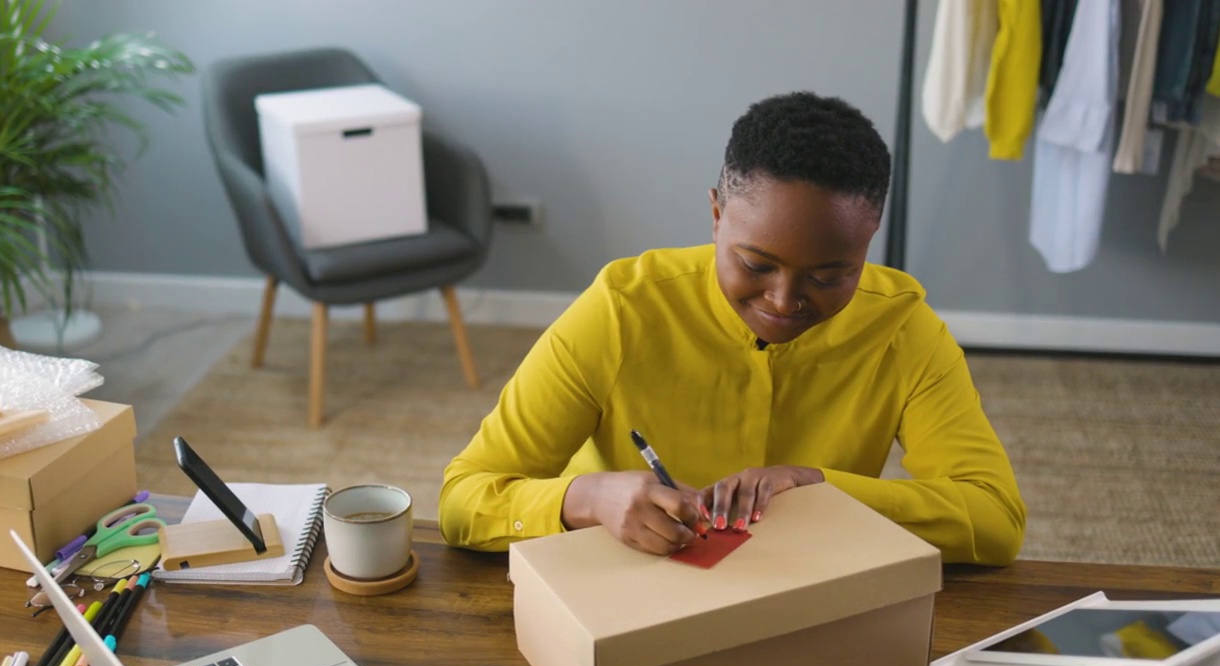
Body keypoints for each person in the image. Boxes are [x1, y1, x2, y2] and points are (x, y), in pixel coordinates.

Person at [439, 91, 1026, 566]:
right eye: (756, 264)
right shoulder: (622, 310)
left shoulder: (904, 329)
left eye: (829, 274)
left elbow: (995, 519)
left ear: (867, 241)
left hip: (808, 593)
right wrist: (582, 499)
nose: (784, 300)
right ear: (717, 215)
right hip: (625, 580)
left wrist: (819, 486)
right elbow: (464, 500)